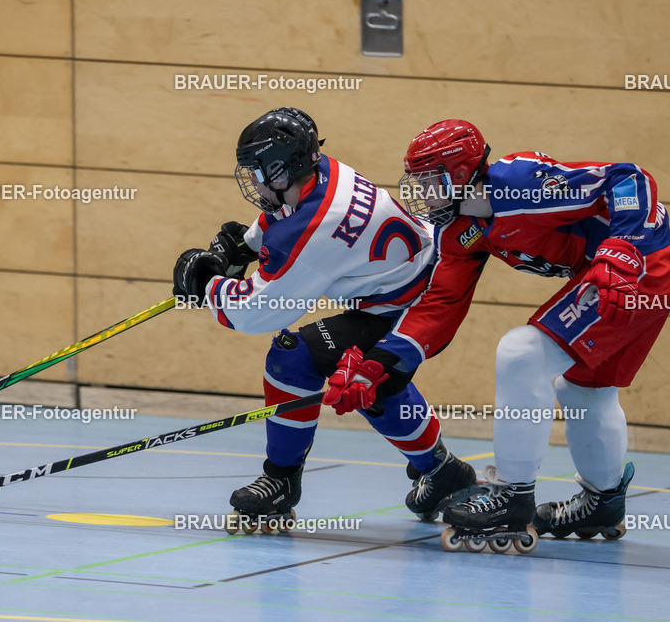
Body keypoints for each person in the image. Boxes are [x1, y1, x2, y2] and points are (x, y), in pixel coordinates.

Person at [326, 119, 670, 552]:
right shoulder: (460, 232)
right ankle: (604, 500)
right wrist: (379, 364)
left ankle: (512, 496)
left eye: (429, 181)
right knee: (586, 391)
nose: (421, 194)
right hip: (625, 274)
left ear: (460, 175)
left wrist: (623, 245)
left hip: (634, 266)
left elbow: (628, 178)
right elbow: (439, 303)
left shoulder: (520, 183)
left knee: (522, 354)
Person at [172, 107, 475, 533]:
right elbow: (286, 222)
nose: (254, 182)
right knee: (365, 377)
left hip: (412, 307)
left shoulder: (319, 226)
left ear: (282, 170)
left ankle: (281, 482)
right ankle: (443, 472)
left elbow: (255, 313)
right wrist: (241, 246)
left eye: (258, 171)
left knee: (303, 360)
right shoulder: (324, 172)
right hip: (404, 287)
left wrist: (207, 285)